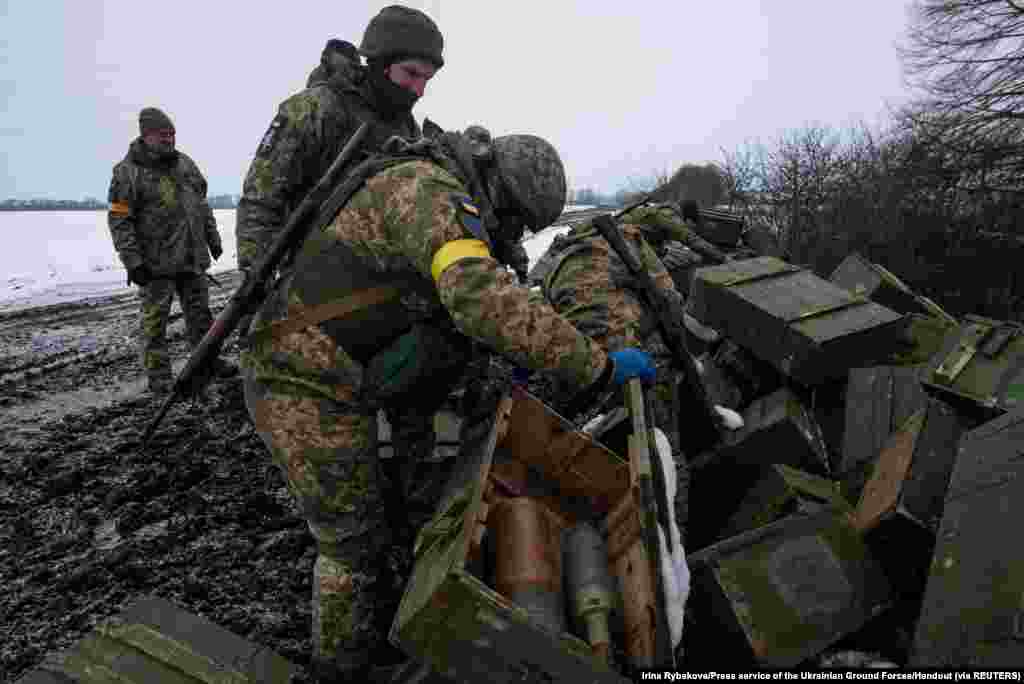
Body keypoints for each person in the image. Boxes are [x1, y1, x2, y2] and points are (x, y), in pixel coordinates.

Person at [240, 129, 657, 682]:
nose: (511, 234)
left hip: (349, 377)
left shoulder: (443, 192)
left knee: (400, 514)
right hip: (300, 380)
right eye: (513, 220)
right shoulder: (428, 191)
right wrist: (596, 365)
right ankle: (340, 669)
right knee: (351, 548)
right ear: (496, 187)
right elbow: (478, 298)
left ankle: (395, 631)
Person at [536, 202, 709, 543]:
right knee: (664, 454)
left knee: (596, 450)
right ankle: (674, 545)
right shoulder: (631, 239)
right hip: (632, 358)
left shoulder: (557, 254)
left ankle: (596, 535)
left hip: (579, 360)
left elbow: (545, 315)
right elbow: (670, 301)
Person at [235, 5, 444, 280]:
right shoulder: (315, 109)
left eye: (427, 79)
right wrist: (256, 278)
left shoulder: (405, 125)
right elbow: (261, 201)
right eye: (411, 74)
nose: (419, 90)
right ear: (380, 63)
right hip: (312, 279)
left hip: (378, 280)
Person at [106, 107, 236, 395]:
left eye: (172, 134)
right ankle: (159, 376)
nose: (169, 140)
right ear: (146, 135)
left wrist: (212, 239)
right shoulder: (127, 173)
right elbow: (119, 219)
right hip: (155, 265)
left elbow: (202, 204)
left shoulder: (185, 165)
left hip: (191, 259)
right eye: (162, 135)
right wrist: (132, 261)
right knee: (155, 324)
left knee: (202, 317)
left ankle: (208, 363)